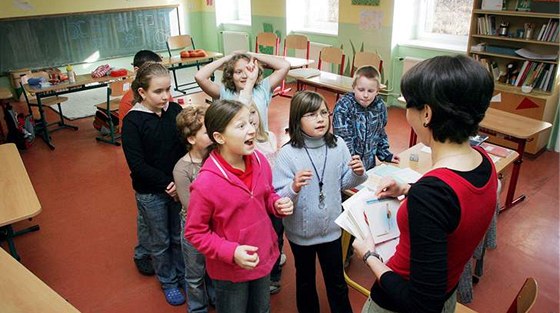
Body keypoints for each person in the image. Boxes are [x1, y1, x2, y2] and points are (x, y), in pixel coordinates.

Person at [352, 55, 498, 313]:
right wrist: (409, 188)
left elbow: (421, 303)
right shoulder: (484, 163)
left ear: (427, 113)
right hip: (448, 297)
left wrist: (368, 255)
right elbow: (456, 207)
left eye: (409, 105)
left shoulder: (432, 194)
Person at [185, 99, 294, 313]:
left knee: (261, 309)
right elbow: (195, 232)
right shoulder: (206, 183)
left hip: (262, 257)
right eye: (241, 126)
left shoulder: (260, 160)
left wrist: (276, 204)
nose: (252, 130)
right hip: (231, 271)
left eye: (251, 122)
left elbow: (267, 194)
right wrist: (231, 251)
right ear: (219, 137)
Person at [273, 90, 367, 313]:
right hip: (300, 234)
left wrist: (358, 173)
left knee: (336, 281)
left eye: (324, 113)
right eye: (312, 114)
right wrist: (294, 187)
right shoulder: (287, 154)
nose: (321, 119)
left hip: (332, 230)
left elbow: (342, 183)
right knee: (305, 281)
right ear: (297, 119)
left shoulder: (338, 145)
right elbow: (279, 198)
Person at [121, 62, 186, 306]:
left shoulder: (174, 111)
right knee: (160, 241)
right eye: (158, 91)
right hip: (152, 193)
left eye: (168, 89)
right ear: (142, 93)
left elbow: (184, 147)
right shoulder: (133, 122)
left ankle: (182, 274)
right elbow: (137, 165)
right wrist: (167, 184)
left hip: (176, 188)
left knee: (179, 236)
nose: (166, 96)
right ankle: (168, 281)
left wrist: (178, 182)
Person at [119, 50, 165, 276]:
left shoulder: (165, 102)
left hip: (165, 176)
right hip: (148, 177)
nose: (165, 95)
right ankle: (143, 253)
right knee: (148, 219)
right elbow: (136, 156)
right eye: (158, 90)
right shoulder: (130, 106)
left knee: (155, 221)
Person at [173, 104, 216, 313]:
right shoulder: (182, 168)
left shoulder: (217, 158)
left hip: (216, 223)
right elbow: (190, 206)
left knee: (215, 267)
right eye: (207, 132)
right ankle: (198, 308)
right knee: (195, 272)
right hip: (194, 228)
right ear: (191, 139)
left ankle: (215, 297)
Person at [194, 52, 290, 130]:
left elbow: (285, 66)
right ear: (231, 75)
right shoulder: (224, 92)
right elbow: (199, 77)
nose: (244, 76)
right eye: (238, 72)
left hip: (260, 145)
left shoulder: (262, 88)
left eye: (248, 70)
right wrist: (227, 58)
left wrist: (253, 56)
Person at [247, 102, 285, 295]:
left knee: (277, 234)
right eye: (245, 115)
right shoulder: (244, 143)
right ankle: (261, 270)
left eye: (253, 112)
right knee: (260, 236)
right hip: (256, 199)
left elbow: (276, 163)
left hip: (273, 193)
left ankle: (274, 273)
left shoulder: (269, 136)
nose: (251, 117)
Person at [333, 65, 399, 171]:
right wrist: (353, 163)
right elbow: (343, 138)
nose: (365, 95)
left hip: (368, 166)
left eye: (370, 91)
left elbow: (380, 132)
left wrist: (385, 154)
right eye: (361, 89)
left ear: (377, 91)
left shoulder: (380, 106)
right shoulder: (344, 106)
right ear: (353, 87)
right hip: (348, 166)